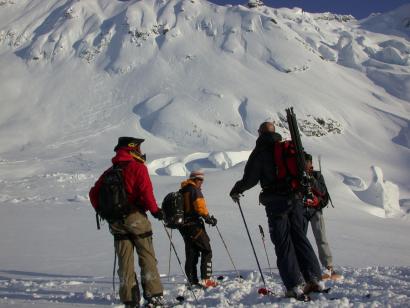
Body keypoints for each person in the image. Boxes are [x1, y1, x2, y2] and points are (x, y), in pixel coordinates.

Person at [229, 121, 323, 300]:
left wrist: (236, 189)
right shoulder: (287, 148)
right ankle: (314, 279)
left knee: (283, 243)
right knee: (300, 238)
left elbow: (250, 179)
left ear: (260, 133)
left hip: (276, 203)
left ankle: (294, 285)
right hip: (296, 200)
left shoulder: (261, 152)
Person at [89, 137, 164, 308]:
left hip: (115, 222)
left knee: (125, 260)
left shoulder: (109, 172)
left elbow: (93, 194)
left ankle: (129, 300)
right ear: (132, 149)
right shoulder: (138, 168)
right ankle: (154, 298)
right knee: (147, 256)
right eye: (138, 147)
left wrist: (105, 212)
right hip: (135, 217)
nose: (140, 151)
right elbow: (146, 193)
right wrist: (155, 211)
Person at [303, 153, 341, 281]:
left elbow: (323, 192)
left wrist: (312, 180)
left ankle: (328, 267)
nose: (305, 165)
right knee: (301, 239)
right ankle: (303, 267)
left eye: (307, 163)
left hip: (315, 210)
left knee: (321, 238)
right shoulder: (298, 176)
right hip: (302, 209)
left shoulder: (317, 176)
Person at [178, 170, 218, 289]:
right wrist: (208, 218)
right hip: (194, 225)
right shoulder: (194, 190)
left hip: (183, 227)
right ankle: (206, 280)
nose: (202, 183)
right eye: (200, 180)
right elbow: (200, 207)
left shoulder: (182, 190)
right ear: (195, 179)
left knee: (192, 253)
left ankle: (192, 280)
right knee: (206, 250)